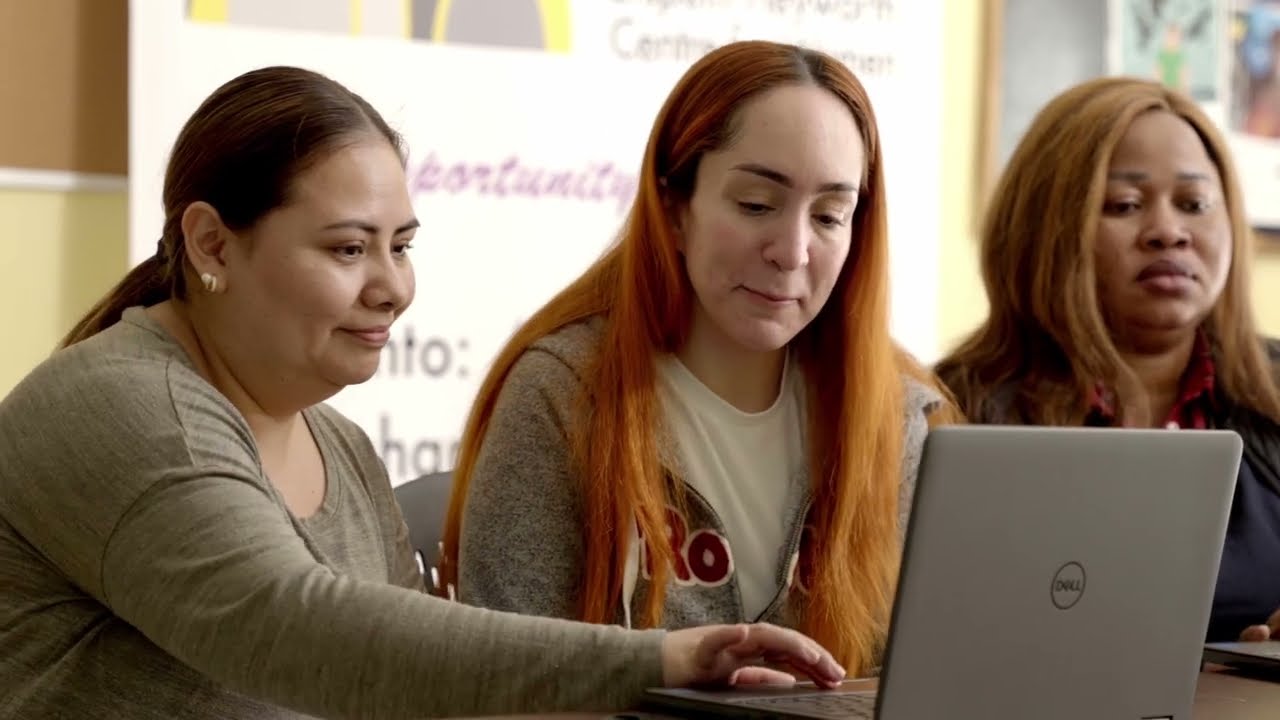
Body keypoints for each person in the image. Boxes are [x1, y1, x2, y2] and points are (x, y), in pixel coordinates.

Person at [0, 65, 846, 720]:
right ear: (212, 245)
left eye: (400, 246)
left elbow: (426, 693)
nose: (393, 289)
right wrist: (662, 662)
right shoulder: (120, 407)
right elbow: (299, 632)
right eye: (348, 249)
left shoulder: (340, 446)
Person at [439, 40, 960, 677]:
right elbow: (504, 682)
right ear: (674, 208)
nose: (792, 251)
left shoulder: (896, 414)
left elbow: (932, 677)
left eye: (829, 216)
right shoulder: (562, 394)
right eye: (756, 205)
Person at [933, 76, 1280, 644]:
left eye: (1193, 204)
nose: (1168, 232)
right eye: (1125, 205)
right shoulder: (949, 412)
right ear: (1044, 229)